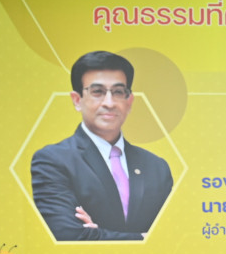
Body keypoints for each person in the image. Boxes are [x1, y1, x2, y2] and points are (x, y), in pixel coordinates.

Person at [31, 51, 173, 241]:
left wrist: (97, 233)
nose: (109, 103)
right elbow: (70, 235)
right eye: (97, 92)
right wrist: (143, 237)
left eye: (118, 92)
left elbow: (172, 236)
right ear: (77, 100)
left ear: (129, 101)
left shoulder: (157, 167)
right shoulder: (53, 161)